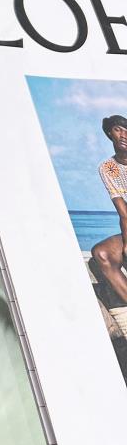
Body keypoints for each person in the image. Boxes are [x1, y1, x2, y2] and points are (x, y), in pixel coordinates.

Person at [90, 115, 127, 305]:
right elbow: (123, 212)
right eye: (118, 130)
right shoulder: (107, 167)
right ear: (109, 133)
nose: (123, 135)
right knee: (101, 253)